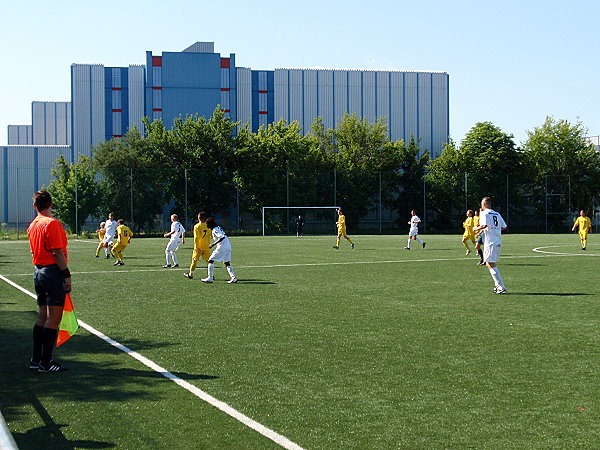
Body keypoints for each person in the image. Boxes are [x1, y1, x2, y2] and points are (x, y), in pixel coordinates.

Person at [27, 190, 70, 372]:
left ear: (35, 206)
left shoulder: (33, 224)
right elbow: (57, 252)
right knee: (54, 317)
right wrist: (66, 275)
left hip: (38, 272)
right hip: (52, 273)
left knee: (42, 316)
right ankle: (46, 362)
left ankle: (36, 359)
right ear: (51, 204)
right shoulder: (51, 223)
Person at [474, 197, 508, 294]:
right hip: (497, 240)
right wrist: (494, 229)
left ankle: (501, 286)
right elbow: (504, 227)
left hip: (490, 242)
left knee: (489, 263)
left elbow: (484, 225)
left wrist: (475, 229)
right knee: (491, 263)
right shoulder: (497, 213)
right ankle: (498, 286)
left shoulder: (484, 213)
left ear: (484, 204)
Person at [202, 217, 237, 284]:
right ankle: (233, 277)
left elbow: (222, 237)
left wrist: (213, 244)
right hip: (228, 246)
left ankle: (210, 278)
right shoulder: (218, 228)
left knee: (210, 260)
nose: (206, 225)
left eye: (207, 224)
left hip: (222, 247)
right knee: (227, 263)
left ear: (210, 224)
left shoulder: (215, 230)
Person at [184, 212, 211, 279]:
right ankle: (211, 275)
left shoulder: (197, 226)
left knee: (194, 260)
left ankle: (190, 274)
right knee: (209, 261)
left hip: (199, 246)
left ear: (198, 218)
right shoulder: (208, 225)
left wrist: (196, 247)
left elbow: (196, 237)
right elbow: (211, 235)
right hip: (207, 246)